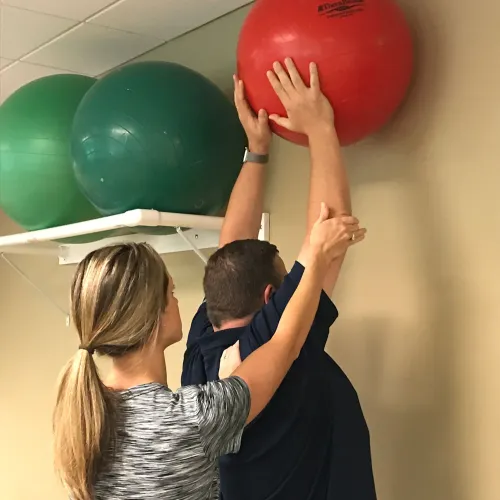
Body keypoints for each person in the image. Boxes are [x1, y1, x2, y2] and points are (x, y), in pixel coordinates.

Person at [52, 206, 364, 499]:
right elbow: (286, 342)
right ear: (154, 314)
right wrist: (317, 254)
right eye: (171, 292)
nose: (178, 301)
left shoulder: (87, 414)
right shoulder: (193, 420)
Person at [181, 59, 377, 499]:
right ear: (271, 297)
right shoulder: (269, 346)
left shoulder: (203, 349)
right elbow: (327, 240)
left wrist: (256, 150)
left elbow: (231, 251)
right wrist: (321, 129)